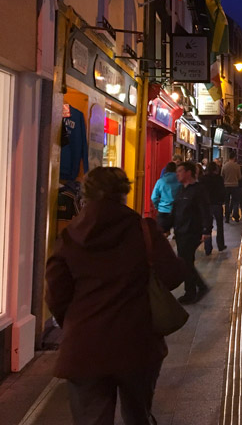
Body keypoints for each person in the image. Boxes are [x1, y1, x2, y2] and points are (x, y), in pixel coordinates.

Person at [46, 167, 184, 425]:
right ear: (124, 193)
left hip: (84, 345)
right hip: (137, 342)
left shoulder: (70, 235)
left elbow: (56, 293)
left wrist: (76, 320)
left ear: (86, 195)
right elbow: (174, 275)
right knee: (137, 415)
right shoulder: (144, 231)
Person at [173, 161, 212, 304]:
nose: (177, 174)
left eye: (180, 171)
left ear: (188, 173)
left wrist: (206, 230)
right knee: (186, 261)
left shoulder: (198, 190)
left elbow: (205, 211)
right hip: (180, 230)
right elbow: (176, 209)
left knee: (185, 261)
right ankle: (200, 287)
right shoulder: (181, 189)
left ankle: (191, 292)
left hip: (191, 231)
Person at [200, 161, 227, 254]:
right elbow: (223, 191)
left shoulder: (203, 179)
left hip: (207, 205)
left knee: (207, 226)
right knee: (219, 225)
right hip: (217, 203)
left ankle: (208, 248)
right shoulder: (219, 178)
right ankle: (220, 245)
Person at [151, 162, 181, 236]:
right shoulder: (180, 181)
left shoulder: (160, 181)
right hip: (177, 211)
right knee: (179, 234)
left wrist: (157, 206)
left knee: (163, 234)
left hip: (163, 210)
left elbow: (154, 197)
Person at [221, 150, 242, 222]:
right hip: (235, 185)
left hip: (226, 185)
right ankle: (235, 215)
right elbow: (239, 177)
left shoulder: (225, 165)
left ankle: (227, 217)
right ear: (234, 157)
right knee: (236, 201)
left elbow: (222, 175)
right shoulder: (237, 166)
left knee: (226, 202)